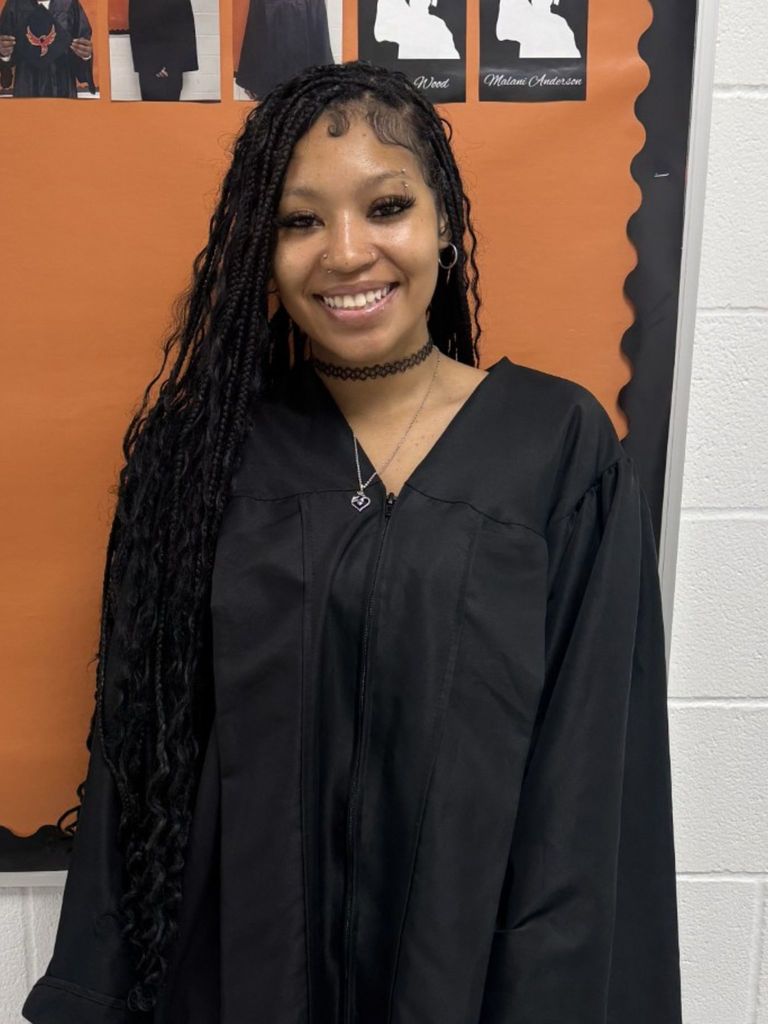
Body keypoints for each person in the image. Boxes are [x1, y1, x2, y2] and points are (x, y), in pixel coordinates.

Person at [21, 59, 683, 1024]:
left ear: (445, 223)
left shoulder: (554, 449)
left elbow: (589, 781)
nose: (345, 252)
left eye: (386, 207)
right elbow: (137, 765)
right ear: (263, 247)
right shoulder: (200, 461)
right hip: (234, 981)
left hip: (470, 986)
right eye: (300, 220)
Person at [0, 0, 95, 98]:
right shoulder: (14, 4)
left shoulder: (69, 4)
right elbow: (6, 67)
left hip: (63, 89)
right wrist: (4, 55)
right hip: (27, 87)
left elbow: (82, 52)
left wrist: (85, 56)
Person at [127, 0, 198, 102]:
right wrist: (155, 66)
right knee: (152, 110)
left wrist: (174, 64)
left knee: (171, 109)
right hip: (151, 65)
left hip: (173, 63)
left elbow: (184, 26)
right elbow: (139, 27)